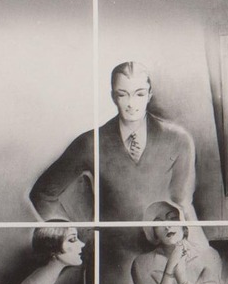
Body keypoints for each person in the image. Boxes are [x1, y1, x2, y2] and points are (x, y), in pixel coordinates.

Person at [27, 61, 199, 226]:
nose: (131, 104)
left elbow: (183, 203)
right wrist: (71, 237)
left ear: (149, 95)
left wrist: (200, 250)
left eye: (139, 94)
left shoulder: (178, 139)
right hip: (109, 253)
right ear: (113, 97)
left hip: (162, 252)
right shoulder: (89, 143)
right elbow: (43, 194)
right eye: (122, 94)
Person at [127, 201, 223, 284]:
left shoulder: (209, 255)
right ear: (153, 232)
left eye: (172, 218)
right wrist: (170, 268)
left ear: (184, 223)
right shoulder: (142, 263)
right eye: (158, 224)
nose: (167, 226)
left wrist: (182, 279)